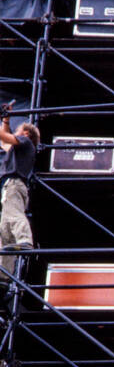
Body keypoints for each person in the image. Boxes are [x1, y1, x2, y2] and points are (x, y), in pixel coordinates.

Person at [0, 104, 39, 288]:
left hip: (14, 185)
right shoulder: (19, 148)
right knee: (5, 230)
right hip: (10, 186)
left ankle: (25, 240)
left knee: (14, 216)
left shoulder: (25, 142)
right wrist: (6, 119)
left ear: (25, 133)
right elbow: (4, 141)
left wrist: (5, 119)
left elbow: (5, 138)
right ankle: (4, 274)